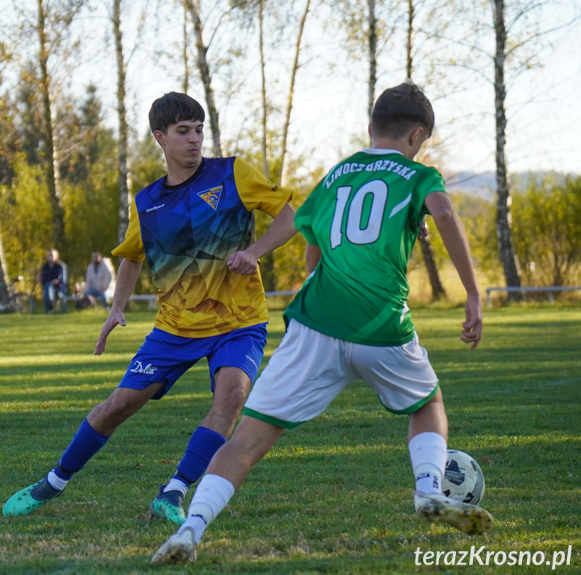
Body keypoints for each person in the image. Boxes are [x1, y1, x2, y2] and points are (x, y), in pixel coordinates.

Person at [151, 81, 494, 565]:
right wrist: (474, 294)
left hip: (314, 324)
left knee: (247, 440)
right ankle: (427, 489)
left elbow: (310, 240)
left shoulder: (339, 174)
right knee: (428, 404)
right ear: (418, 135)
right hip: (381, 325)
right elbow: (444, 211)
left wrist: (323, 281)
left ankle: (191, 529)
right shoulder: (420, 175)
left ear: (370, 128)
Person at [2, 92, 297, 524]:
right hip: (175, 327)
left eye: (199, 130)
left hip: (240, 321)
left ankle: (173, 493)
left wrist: (255, 251)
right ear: (160, 137)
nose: (195, 139)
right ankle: (53, 482)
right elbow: (132, 255)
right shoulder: (149, 202)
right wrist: (116, 307)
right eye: (183, 132)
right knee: (118, 406)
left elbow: (289, 217)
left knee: (232, 395)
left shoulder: (233, 173)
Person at [37, 249, 65, 314]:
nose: (50, 257)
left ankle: (50, 306)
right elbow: (42, 278)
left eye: (51, 255)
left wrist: (55, 281)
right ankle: (51, 305)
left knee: (49, 287)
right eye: (49, 255)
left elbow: (60, 278)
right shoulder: (45, 267)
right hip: (47, 287)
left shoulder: (59, 267)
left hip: (57, 288)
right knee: (48, 286)